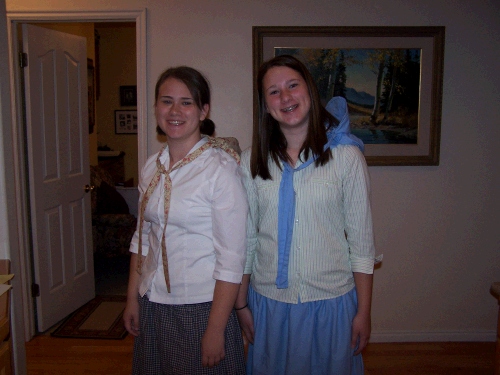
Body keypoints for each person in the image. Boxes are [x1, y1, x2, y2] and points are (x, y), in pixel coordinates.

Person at [235, 55, 376, 374]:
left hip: (331, 304)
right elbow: (247, 240)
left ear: (310, 91)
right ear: (265, 105)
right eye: (273, 91)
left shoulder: (347, 158)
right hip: (270, 304)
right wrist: (241, 303)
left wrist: (363, 312)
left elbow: (362, 247)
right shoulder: (250, 162)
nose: (284, 97)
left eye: (292, 85)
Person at [123, 66, 248, 374]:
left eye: (187, 102)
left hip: (203, 308)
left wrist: (215, 330)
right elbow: (142, 239)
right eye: (166, 101)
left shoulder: (220, 170)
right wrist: (131, 298)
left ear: (203, 110)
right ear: (155, 108)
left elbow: (232, 259)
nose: (175, 110)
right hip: (153, 303)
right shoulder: (151, 168)